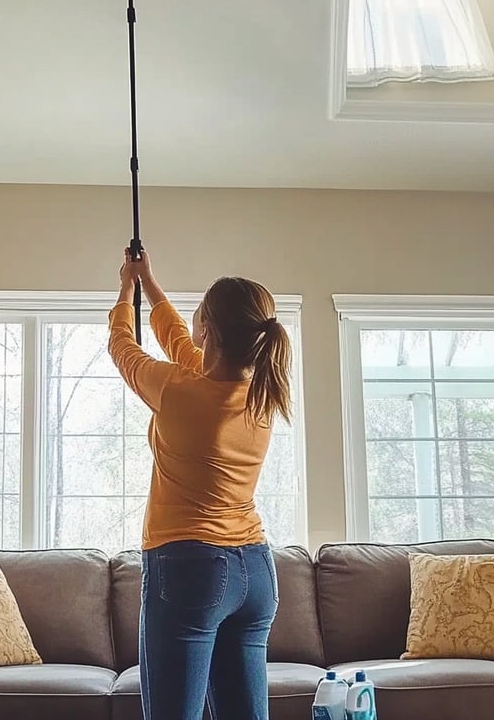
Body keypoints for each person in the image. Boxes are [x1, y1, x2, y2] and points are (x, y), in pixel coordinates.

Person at [107, 247, 293, 720]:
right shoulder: (259, 395)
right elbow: (183, 348)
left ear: (208, 330)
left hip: (190, 569)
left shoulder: (178, 390)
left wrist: (126, 291)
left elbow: (122, 348)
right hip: (255, 572)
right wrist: (148, 281)